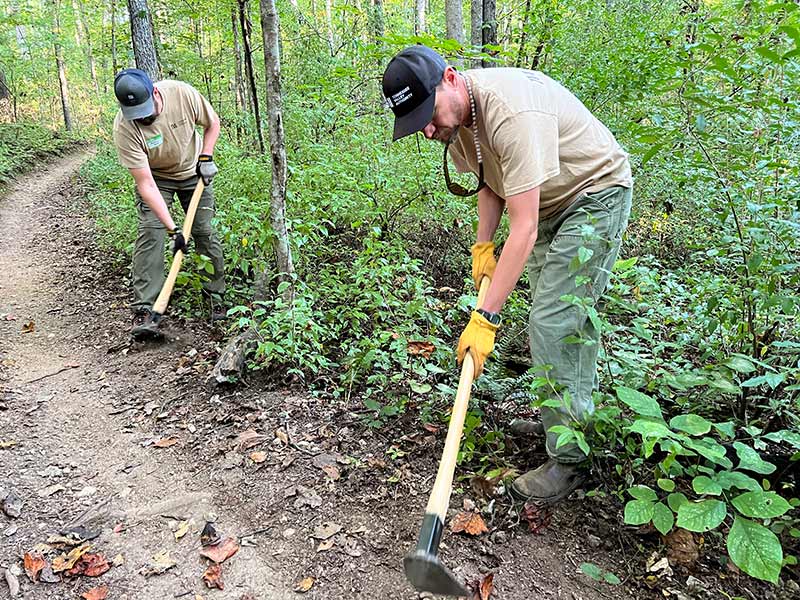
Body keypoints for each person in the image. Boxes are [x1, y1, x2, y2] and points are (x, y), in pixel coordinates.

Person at [382, 46, 633, 503]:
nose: (427, 128)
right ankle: (562, 418)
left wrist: (485, 318)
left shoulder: (512, 112)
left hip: (593, 195)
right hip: (545, 204)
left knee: (556, 322)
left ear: (451, 79)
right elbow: (490, 182)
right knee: (551, 319)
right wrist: (483, 244)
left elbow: (525, 226)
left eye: (428, 113)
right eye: (416, 120)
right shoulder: (455, 123)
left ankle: (572, 460)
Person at [112, 68, 225, 338]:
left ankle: (216, 298)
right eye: (136, 114)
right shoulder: (124, 128)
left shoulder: (182, 94)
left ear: (155, 93)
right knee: (151, 232)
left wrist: (206, 158)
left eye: (146, 110)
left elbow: (213, 124)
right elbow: (145, 184)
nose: (143, 118)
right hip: (157, 179)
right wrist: (174, 228)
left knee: (204, 232)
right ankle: (145, 308)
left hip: (194, 173)